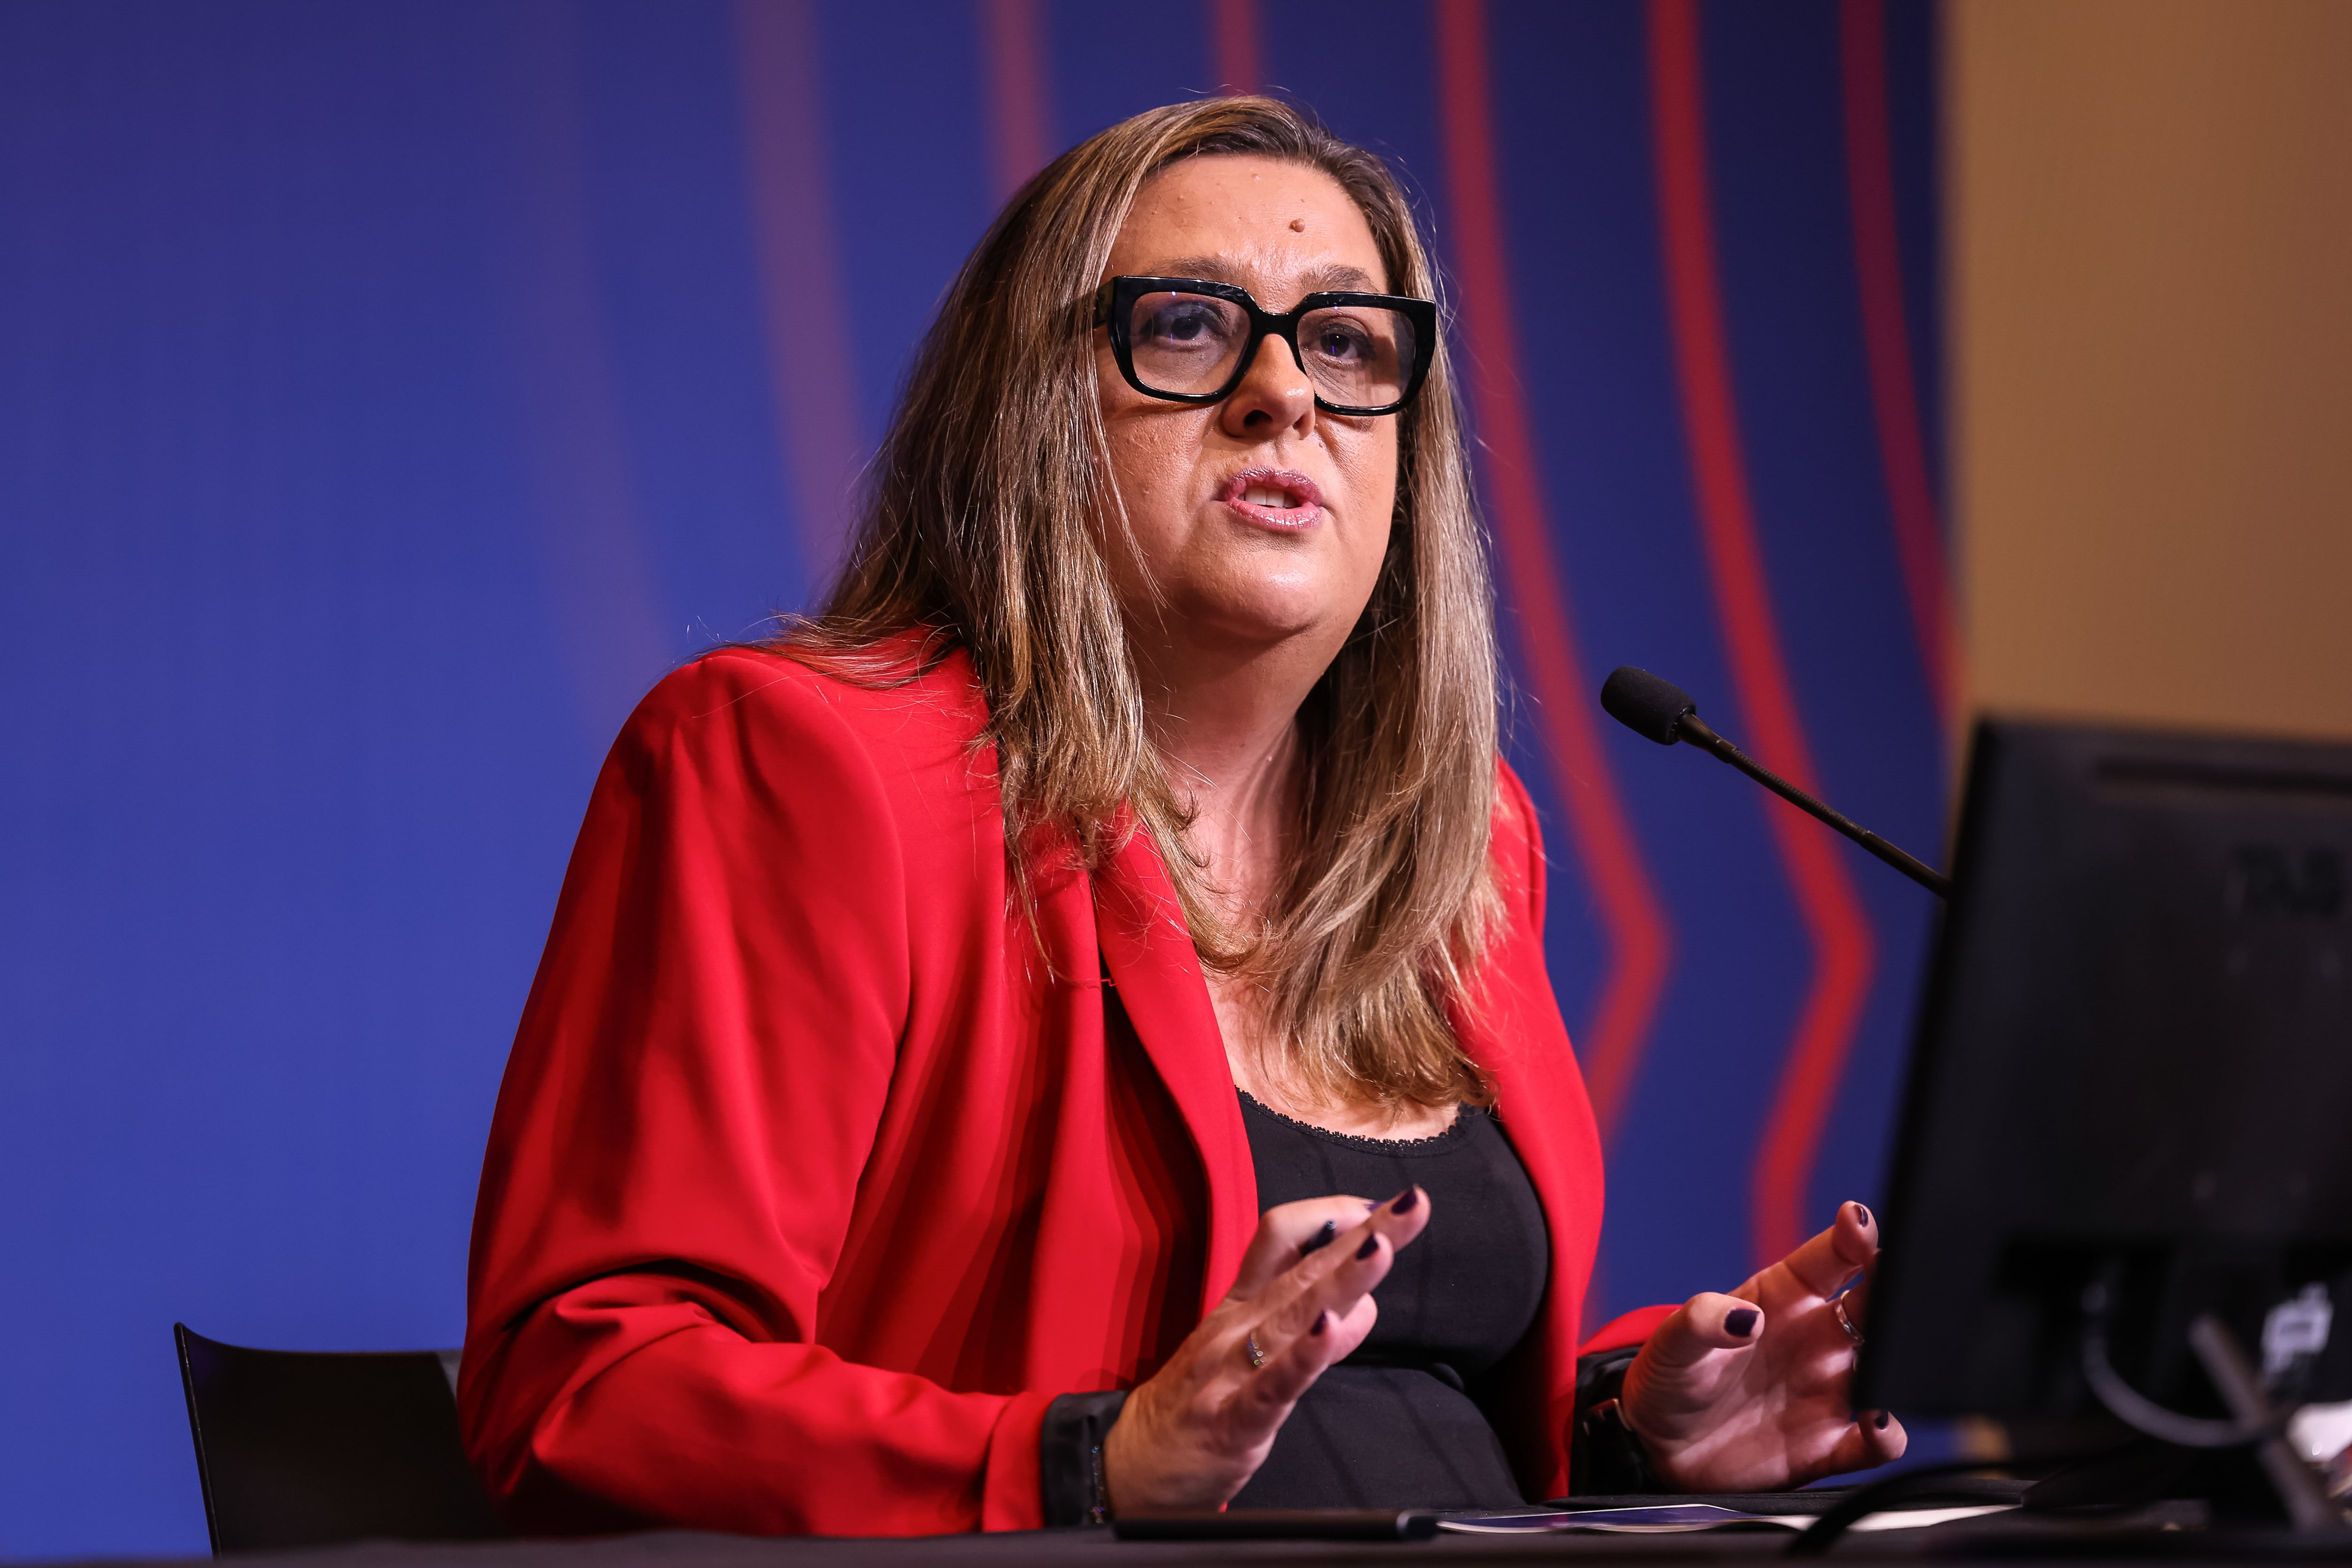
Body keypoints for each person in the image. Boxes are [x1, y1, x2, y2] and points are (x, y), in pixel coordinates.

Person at [458, 96, 1905, 1537]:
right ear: (1025, 414)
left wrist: (1633, 1427)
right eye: (1190, 326)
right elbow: (591, 1385)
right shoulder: (805, 763)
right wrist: (1089, 1464)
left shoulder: (1465, 850)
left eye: (1345, 343)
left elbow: (1413, 1419)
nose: (1286, 395)